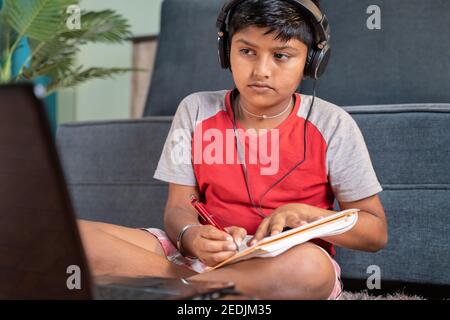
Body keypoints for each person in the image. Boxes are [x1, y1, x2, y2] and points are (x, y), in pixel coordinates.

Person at [77, 0, 388, 300]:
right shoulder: (196, 109)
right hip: (199, 257)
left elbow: (375, 233)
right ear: (226, 52)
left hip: (280, 262)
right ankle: (191, 290)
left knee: (311, 269)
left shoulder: (332, 124)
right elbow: (178, 208)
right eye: (247, 51)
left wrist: (306, 216)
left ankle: (165, 288)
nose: (261, 71)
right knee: (74, 236)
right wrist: (190, 235)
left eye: (281, 56)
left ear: (311, 61)